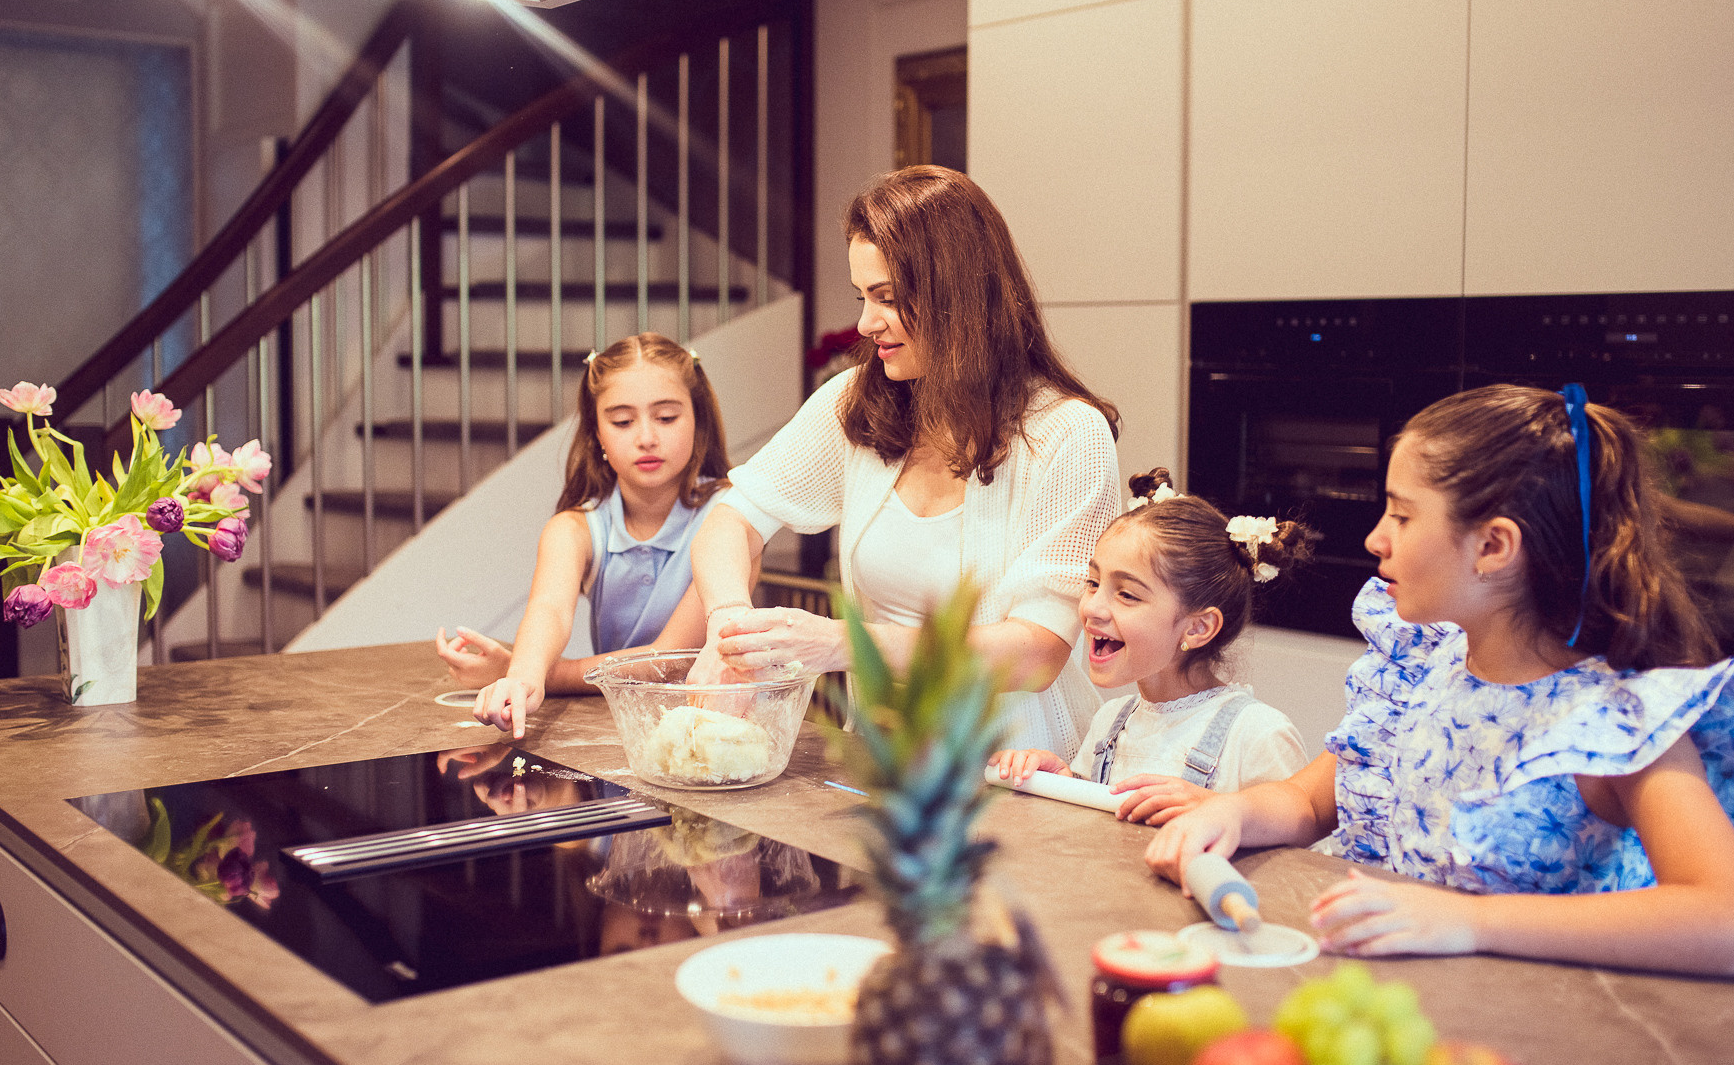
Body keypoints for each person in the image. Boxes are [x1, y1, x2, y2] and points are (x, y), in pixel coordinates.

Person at [1148, 384, 1734, 978]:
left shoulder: (1616, 720)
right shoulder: (1426, 664)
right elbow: (1312, 801)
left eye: (1401, 515)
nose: (1375, 538)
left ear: (1494, 547)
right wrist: (1231, 812)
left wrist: (1469, 921)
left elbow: (1730, 925)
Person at [686, 166, 1123, 755]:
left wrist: (845, 643)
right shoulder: (855, 404)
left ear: (959, 295)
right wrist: (727, 623)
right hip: (883, 766)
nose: (866, 324)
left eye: (887, 298)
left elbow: (1036, 654)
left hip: (1019, 774)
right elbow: (733, 518)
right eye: (862, 297)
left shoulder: (1067, 435)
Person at [436, 332, 733, 735]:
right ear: (597, 434)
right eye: (623, 421)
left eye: (666, 417)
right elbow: (550, 610)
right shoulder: (573, 528)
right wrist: (522, 677)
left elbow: (672, 660)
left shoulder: (732, 515)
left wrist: (536, 673)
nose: (646, 437)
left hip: (720, 727)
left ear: (698, 422)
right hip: (622, 729)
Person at [990, 470, 1313, 819]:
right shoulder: (1109, 721)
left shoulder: (1258, 736)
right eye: (1093, 582)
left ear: (1198, 628)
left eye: (1127, 594)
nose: (1092, 608)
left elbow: (1296, 867)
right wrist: (1065, 783)